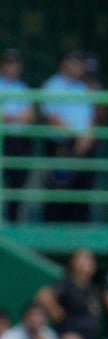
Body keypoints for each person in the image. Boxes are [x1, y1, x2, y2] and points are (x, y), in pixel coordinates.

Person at [40, 50, 96, 223]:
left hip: (83, 144)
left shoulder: (83, 87)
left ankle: (80, 225)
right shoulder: (52, 85)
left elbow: (90, 115)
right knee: (59, 188)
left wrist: (86, 136)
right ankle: (54, 226)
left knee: (82, 187)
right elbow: (52, 117)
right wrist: (76, 136)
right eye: (74, 62)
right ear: (64, 64)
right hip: (62, 145)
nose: (79, 66)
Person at [35, 249, 104, 339]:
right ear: (73, 264)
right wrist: (55, 311)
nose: (85, 265)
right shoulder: (66, 283)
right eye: (82, 261)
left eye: (89, 261)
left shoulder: (93, 288)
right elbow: (42, 295)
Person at [0, 49, 33, 224]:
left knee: (17, 180)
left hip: (17, 140)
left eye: (14, 63)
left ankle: (13, 220)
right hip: (2, 138)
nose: (11, 67)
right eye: (8, 62)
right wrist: (15, 117)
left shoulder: (23, 88)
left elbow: (29, 116)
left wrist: (8, 117)